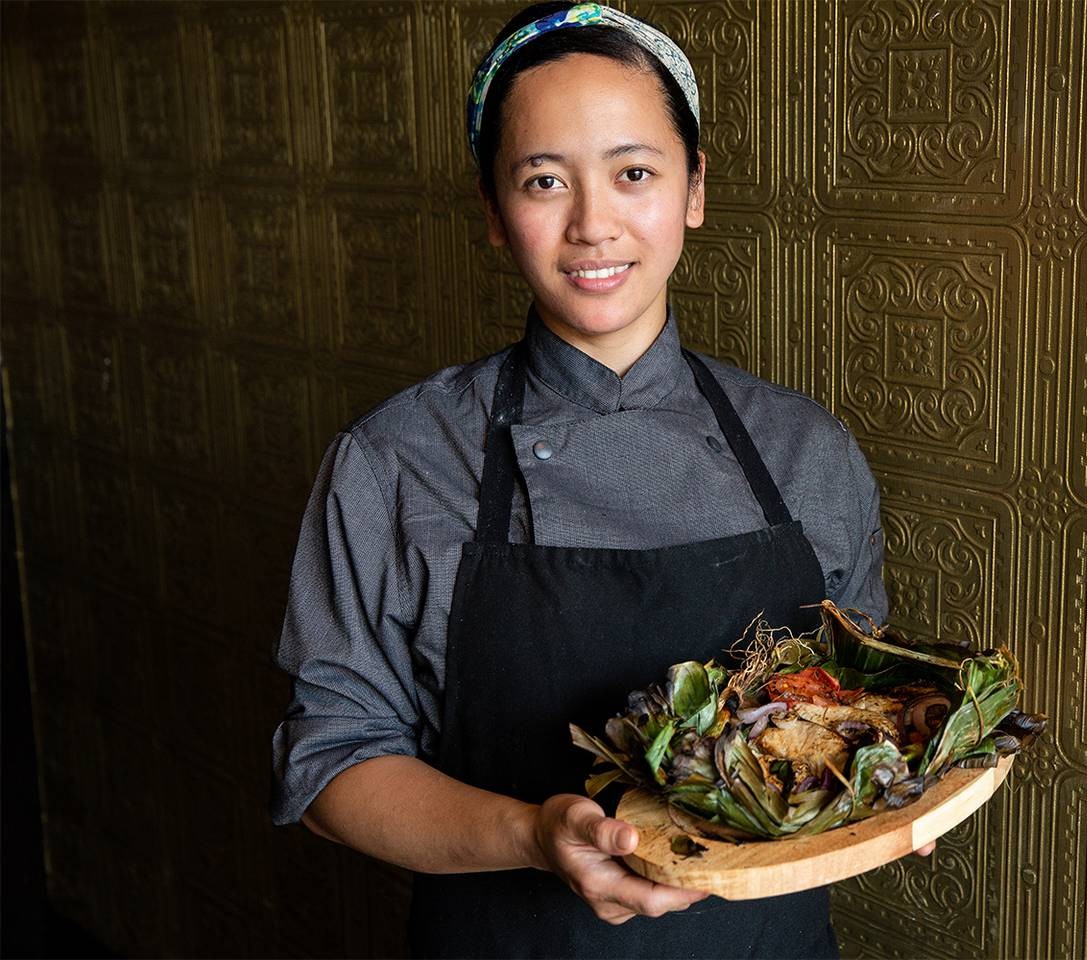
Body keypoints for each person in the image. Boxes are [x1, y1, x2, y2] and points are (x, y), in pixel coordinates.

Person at [268, 3, 932, 957]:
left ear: (694, 188)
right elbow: (329, 772)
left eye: (634, 173)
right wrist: (535, 836)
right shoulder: (396, 460)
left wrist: (898, 786)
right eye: (545, 180)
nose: (594, 224)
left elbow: (859, 712)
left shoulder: (806, 452)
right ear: (495, 213)